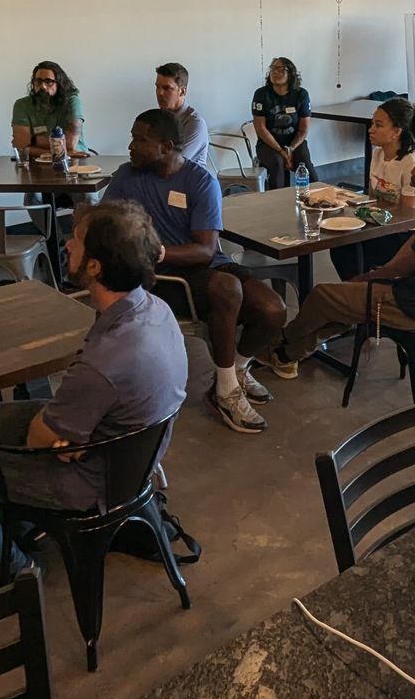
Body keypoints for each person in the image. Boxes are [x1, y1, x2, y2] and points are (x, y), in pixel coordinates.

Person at [0, 200, 187, 583]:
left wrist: (58, 436)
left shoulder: (104, 363)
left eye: (76, 242)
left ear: (95, 266)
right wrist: (64, 433)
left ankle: (19, 567)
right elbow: (64, 426)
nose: (67, 247)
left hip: (89, 478)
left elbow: (40, 439)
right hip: (119, 449)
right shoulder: (154, 309)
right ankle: (10, 508)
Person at [105, 108, 285, 434]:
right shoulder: (126, 177)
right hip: (159, 278)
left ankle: (234, 371)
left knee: (273, 310)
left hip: (199, 266)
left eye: (139, 139)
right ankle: (226, 393)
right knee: (227, 289)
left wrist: (156, 250)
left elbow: (204, 250)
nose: (131, 146)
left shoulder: (200, 182)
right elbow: (104, 224)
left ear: (167, 146)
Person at [263, 126, 415, 371]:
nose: (413, 173)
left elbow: (395, 270)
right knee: (340, 303)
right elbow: (406, 259)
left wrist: (360, 281)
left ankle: (280, 340)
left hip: (414, 307)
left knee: (323, 296)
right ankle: (287, 355)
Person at [331, 96, 415, 280]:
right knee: (341, 243)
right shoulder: (377, 154)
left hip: (403, 235)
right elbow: (372, 198)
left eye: (378, 125)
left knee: (351, 248)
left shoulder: (409, 164)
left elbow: (407, 215)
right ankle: (355, 289)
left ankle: (358, 288)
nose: (371, 130)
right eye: (372, 123)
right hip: (380, 224)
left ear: (396, 132)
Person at [251, 56, 312, 189]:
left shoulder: (301, 95)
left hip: (295, 143)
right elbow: (260, 128)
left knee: (305, 163)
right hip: (268, 144)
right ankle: (277, 205)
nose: (275, 72)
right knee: (277, 163)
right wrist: (281, 151)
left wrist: (291, 149)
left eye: (281, 69)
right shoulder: (261, 94)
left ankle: (316, 201)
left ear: (291, 74)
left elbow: (303, 129)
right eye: (273, 68)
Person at [11, 61, 88, 159]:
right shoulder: (22, 105)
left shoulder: (72, 101)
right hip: (37, 161)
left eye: (48, 82)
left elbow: (70, 144)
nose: (43, 86)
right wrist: (60, 152)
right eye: (38, 81)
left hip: (75, 160)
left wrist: (33, 141)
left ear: (59, 84)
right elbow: (21, 146)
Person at [154, 61, 211, 170]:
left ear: (182, 91)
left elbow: (173, 163)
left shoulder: (194, 123)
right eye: (157, 87)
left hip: (189, 184)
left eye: (166, 88)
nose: (159, 93)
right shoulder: (158, 118)